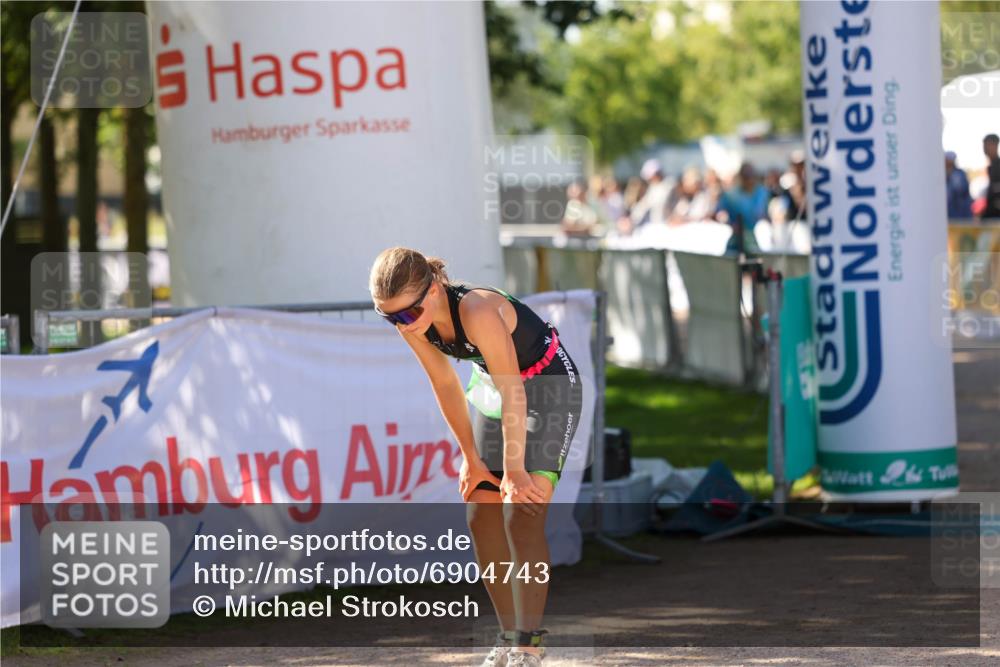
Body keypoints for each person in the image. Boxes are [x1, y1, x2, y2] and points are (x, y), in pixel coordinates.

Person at [369, 248, 583, 667]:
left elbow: (516, 393)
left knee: (521, 512)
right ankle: (507, 637)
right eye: (389, 318)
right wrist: (470, 457)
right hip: (494, 388)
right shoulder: (412, 319)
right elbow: (446, 385)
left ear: (433, 290)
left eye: (406, 315)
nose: (401, 325)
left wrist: (516, 470)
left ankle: (528, 647)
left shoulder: (478, 310)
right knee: (480, 512)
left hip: (545, 387)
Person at [716, 162, 770, 254]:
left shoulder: (763, 192)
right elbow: (720, 213)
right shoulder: (731, 195)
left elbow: (767, 214)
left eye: (751, 175)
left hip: (757, 240)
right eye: (746, 176)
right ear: (741, 177)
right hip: (736, 239)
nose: (749, 179)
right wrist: (726, 221)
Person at [945, 151, 973, 220]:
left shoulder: (960, 173)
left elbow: (963, 190)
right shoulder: (941, 174)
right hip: (948, 214)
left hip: (962, 214)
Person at [981, 134, 1000, 219]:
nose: (985, 148)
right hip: (990, 216)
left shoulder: (997, 166)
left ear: (995, 145)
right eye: (984, 145)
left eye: (987, 144)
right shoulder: (990, 167)